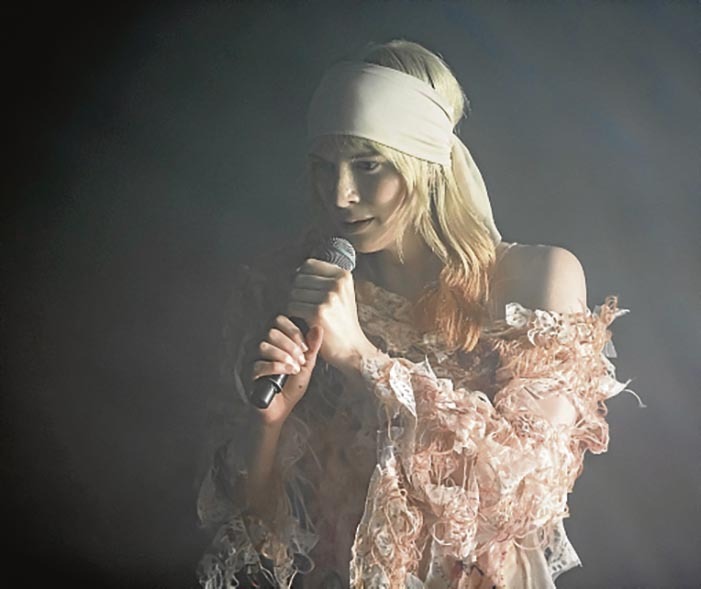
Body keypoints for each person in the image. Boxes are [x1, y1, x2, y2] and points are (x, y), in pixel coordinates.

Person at [195, 40, 636, 588]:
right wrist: (269, 424)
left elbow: (525, 489)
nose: (340, 194)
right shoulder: (297, 285)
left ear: (424, 164)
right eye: (325, 167)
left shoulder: (535, 279)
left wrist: (363, 358)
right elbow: (256, 532)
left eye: (368, 165)